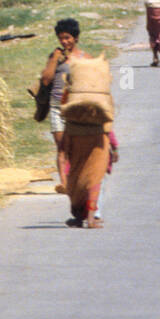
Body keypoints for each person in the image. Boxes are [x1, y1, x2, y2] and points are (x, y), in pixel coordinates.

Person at [60, 58, 115, 228]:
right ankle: (89, 217)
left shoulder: (69, 94)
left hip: (74, 135)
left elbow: (63, 110)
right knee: (94, 179)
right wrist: (114, 146)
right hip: (98, 138)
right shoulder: (102, 101)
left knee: (76, 180)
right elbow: (109, 123)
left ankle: (80, 216)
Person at [40, 18, 85, 191]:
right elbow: (46, 80)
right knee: (62, 148)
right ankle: (65, 184)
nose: (64, 42)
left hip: (75, 108)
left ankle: (77, 179)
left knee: (76, 147)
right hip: (57, 107)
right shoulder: (55, 57)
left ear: (76, 38)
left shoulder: (83, 58)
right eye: (61, 38)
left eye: (67, 38)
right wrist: (54, 60)